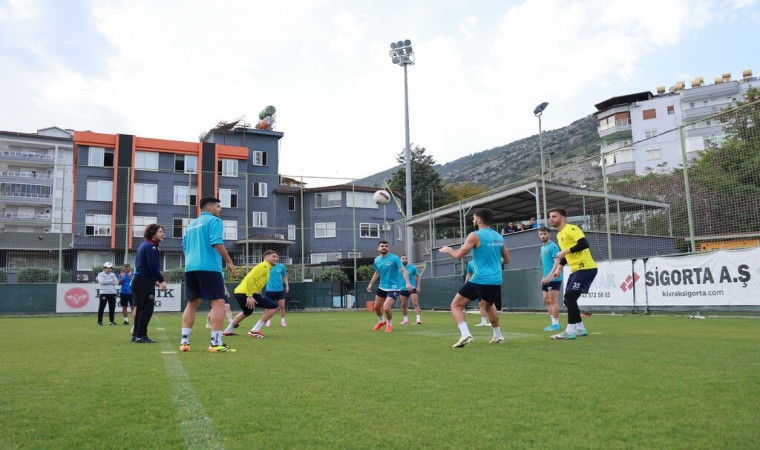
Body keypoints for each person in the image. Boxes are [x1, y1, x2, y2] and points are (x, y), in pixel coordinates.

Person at [439, 208, 510, 348]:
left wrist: (448, 250)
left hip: (480, 279)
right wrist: (494, 262)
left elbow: (458, 255)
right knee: (488, 306)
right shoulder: (499, 237)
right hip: (496, 280)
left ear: (478, 219)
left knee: (456, 305)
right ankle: (498, 336)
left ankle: (465, 334)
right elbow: (507, 260)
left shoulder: (475, 235)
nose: (472, 220)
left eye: (473, 218)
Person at [180, 197, 237, 353]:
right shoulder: (214, 221)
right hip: (209, 268)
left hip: (190, 268)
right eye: (219, 206)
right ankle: (216, 343)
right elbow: (217, 242)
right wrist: (229, 262)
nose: (221, 209)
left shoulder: (191, 225)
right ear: (210, 208)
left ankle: (184, 342)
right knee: (218, 302)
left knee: (192, 304)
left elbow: (184, 246)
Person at [546, 208, 598, 340]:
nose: (551, 219)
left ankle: (570, 331)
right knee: (568, 299)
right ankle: (580, 329)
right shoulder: (559, 235)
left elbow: (584, 244)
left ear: (563, 218)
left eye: (554, 216)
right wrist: (558, 268)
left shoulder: (572, 229)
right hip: (576, 270)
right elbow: (565, 254)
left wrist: (564, 252)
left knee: (570, 296)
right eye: (550, 216)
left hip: (586, 268)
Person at [223, 250, 280, 338]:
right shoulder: (264, 266)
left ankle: (227, 331)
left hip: (240, 292)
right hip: (246, 293)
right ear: (266, 257)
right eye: (274, 256)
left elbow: (256, 281)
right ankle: (255, 330)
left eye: (277, 257)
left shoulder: (266, 268)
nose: (276, 259)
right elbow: (250, 279)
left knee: (247, 312)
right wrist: (249, 296)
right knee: (274, 307)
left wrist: (257, 291)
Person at [131, 224, 167, 343]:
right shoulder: (151, 247)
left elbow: (144, 266)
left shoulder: (144, 245)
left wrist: (154, 280)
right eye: (160, 232)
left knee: (141, 308)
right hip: (143, 281)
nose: (163, 234)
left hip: (139, 280)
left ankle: (136, 335)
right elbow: (153, 267)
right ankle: (141, 335)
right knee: (147, 309)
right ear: (153, 233)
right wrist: (161, 281)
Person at [366, 240, 412, 333]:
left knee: (386, 307)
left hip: (394, 287)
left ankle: (389, 324)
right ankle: (381, 322)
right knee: (376, 307)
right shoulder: (377, 260)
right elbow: (377, 272)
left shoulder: (394, 258)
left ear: (388, 248)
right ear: (378, 248)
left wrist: (407, 283)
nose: (384, 247)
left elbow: (403, 270)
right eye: (382, 246)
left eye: (386, 246)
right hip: (382, 287)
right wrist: (370, 284)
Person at [538, 227, 563, 331]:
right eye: (540, 234)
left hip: (554, 278)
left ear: (549, 234)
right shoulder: (542, 248)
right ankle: (553, 323)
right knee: (546, 300)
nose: (542, 236)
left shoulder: (553, 246)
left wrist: (550, 276)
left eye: (544, 233)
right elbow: (546, 265)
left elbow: (557, 262)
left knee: (553, 300)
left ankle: (556, 324)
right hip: (546, 278)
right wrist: (544, 276)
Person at [265, 260, 290, 327]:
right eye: (273, 257)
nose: (275, 259)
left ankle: (283, 321)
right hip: (269, 290)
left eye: (276, 257)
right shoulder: (266, 266)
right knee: (268, 307)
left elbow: (285, 276)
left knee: (282, 306)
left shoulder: (281, 266)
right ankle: (268, 321)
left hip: (280, 290)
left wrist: (287, 285)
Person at [399, 255, 422, 325]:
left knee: (415, 303)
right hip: (402, 289)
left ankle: (418, 319)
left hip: (412, 288)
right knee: (403, 305)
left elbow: (418, 277)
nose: (404, 260)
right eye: (403, 259)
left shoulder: (412, 268)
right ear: (400, 260)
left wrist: (418, 286)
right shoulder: (398, 268)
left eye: (406, 258)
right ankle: (405, 320)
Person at [467, 260, 490, 327]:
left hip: (487, 283)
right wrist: (466, 284)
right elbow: (469, 274)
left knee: (488, 303)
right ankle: (484, 321)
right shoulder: (470, 263)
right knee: (481, 303)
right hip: (477, 284)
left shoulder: (485, 260)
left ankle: (493, 322)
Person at [96, 262, 119, 326]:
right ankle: (99, 322)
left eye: (111, 268)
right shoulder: (100, 274)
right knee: (102, 307)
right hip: (104, 293)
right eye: (108, 268)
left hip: (113, 293)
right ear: (104, 268)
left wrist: (108, 282)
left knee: (112, 307)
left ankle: (111, 321)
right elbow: (102, 282)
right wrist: (111, 281)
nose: (110, 269)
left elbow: (117, 282)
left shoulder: (113, 274)